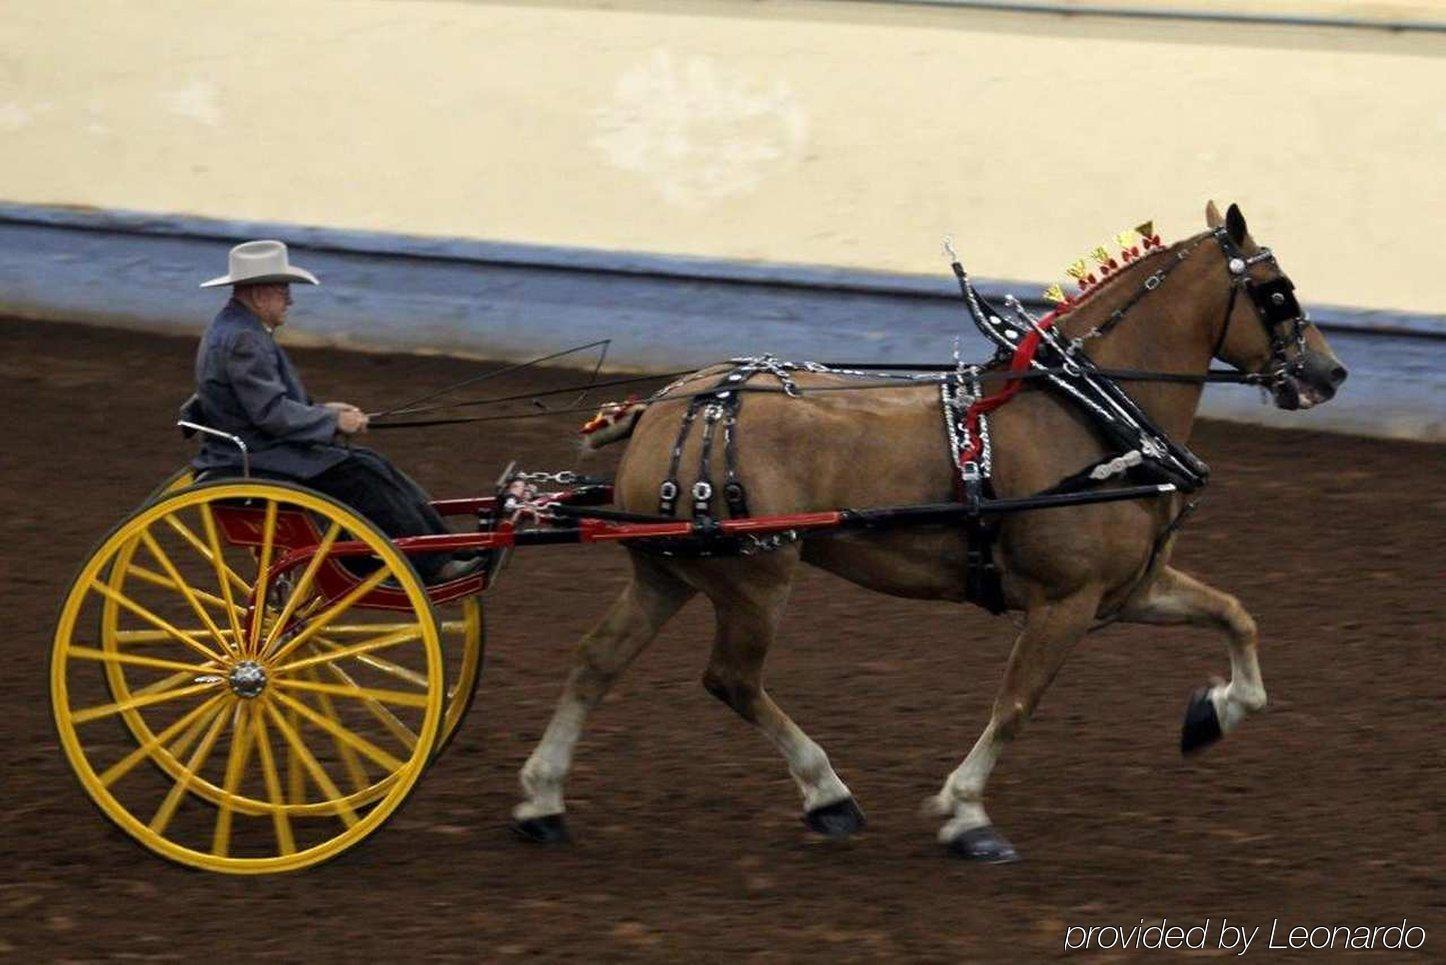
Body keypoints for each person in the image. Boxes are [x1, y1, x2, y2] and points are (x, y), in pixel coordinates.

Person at [179, 239, 477, 584]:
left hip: (256, 448)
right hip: (259, 458)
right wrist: (332, 420)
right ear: (260, 295)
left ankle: (443, 549)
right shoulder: (245, 339)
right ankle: (435, 563)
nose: (290, 300)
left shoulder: (234, 328)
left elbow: (264, 405)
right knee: (362, 473)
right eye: (283, 291)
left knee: (372, 465)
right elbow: (271, 414)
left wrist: (326, 411)